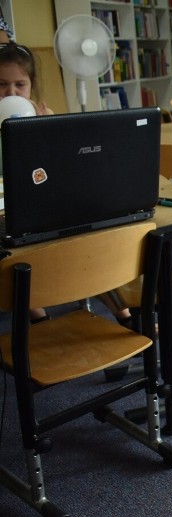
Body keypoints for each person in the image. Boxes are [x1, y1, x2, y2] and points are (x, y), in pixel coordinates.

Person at [0, 41, 132, 326]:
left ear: (31, 86)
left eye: (19, 85)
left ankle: (125, 313)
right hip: (9, 219)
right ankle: (41, 322)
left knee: (86, 242)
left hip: (45, 207)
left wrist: (45, 129)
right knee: (17, 264)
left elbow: (66, 169)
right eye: (1, 85)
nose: (11, 93)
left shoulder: (44, 118)